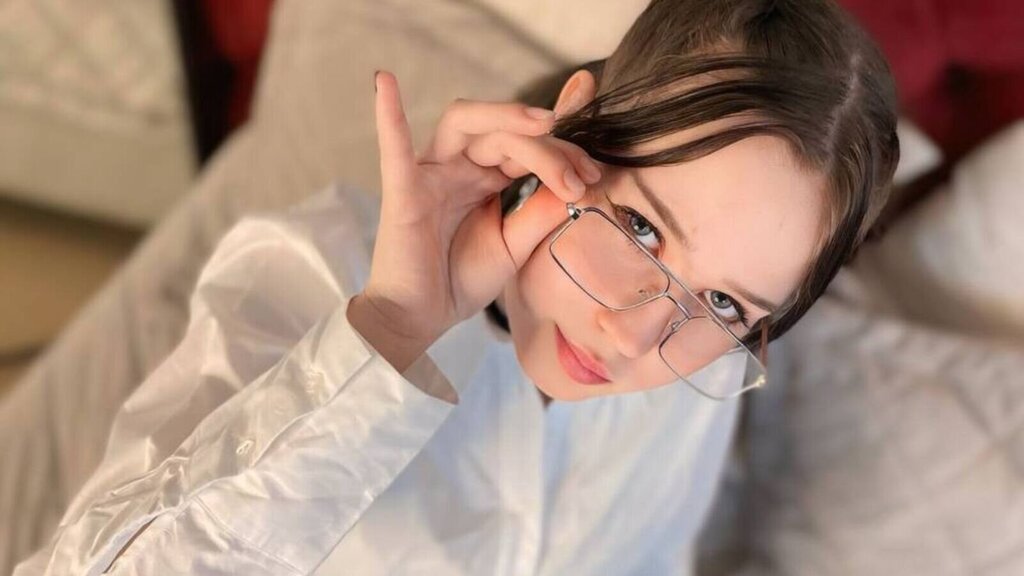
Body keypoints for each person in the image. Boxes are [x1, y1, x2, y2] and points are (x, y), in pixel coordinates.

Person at [14, 0, 899, 573]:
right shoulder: (304, 273)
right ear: (578, 122)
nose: (637, 338)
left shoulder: (702, 381)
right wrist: (390, 334)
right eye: (640, 229)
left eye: (726, 303)